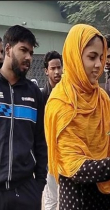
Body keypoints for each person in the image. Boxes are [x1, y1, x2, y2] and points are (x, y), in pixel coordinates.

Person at [44, 24, 110, 210]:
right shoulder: (61, 102)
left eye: (101, 57)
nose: (99, 64)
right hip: (77, 201)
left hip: (105, 197)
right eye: (92, 57)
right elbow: (73, 166)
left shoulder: (102, 99)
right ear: (74, 56)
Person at [0, 25, 47, 210]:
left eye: (31, 52)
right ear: (8, 49)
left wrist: (39, 184)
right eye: (23, 50)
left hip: (26, 191)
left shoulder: (34, 93)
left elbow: (40, 142)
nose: (28, 57)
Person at [41, 50, 63, 210]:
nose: (56, 72)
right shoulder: (42, 96)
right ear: (46, 71)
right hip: (50, 155)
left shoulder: (68, 93)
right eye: (53, 68)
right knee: (51, 198)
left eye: (59, 67)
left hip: (68, 153)